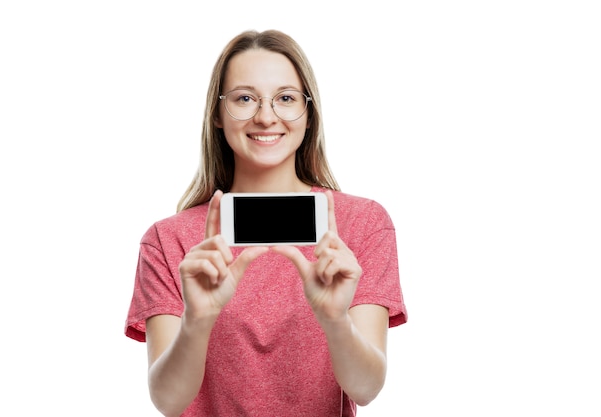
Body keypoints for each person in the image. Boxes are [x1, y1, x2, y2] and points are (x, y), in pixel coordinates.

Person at [124, 29, 407, 417]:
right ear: (218, 115)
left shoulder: (362, 224)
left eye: (286, 98)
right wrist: (197, 320)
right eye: (244, 98)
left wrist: (336, 320)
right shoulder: (169, 241)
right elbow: (168, 401)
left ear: (309, 114)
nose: (266, 116)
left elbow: (366, 387)